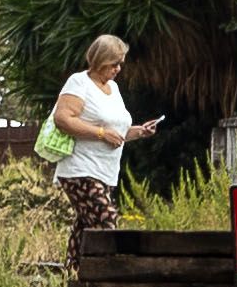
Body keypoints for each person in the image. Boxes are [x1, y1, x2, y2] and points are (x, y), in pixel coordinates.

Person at [48, 33, 162, 236]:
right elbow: (63, 119)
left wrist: (139, 132)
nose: (118, 69)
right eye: (114, 64)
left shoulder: (114, 88)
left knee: (85, 228)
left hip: (105, 172)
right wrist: (101, 134)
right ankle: (113, 267)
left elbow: (115, 132)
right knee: (106, 222)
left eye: (120, 64)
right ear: (101, 60)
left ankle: (75, 267)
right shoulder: (79, 83)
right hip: (80, 170)